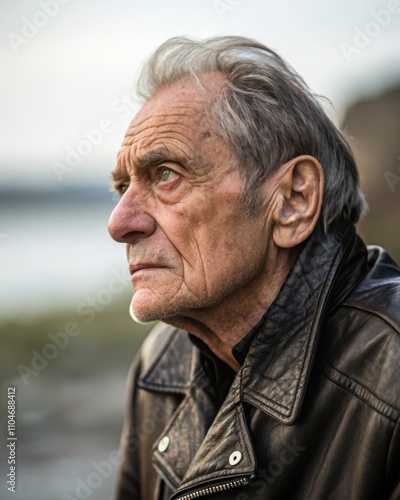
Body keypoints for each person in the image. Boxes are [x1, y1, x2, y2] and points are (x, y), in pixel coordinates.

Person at [108, 36, 400, 500]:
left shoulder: (392, 369)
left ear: (292, 201)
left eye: (166, 174)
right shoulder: (160, 363)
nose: (120, 222)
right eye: (123, 187)